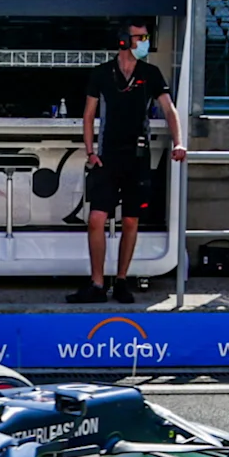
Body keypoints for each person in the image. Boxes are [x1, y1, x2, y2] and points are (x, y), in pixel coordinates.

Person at [71, 19, 183, 304]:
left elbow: (169, 110)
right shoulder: (102, 73)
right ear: (123, 40)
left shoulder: (151, 73)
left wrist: (179, 142)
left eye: (146, 37)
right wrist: (90, 151)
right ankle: (97, 283)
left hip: (138, 156)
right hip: (108, 156)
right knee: (97, 218)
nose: (143, 42)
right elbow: (88, 114)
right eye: (138, 37)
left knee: (131, 220)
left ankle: (121, 280)